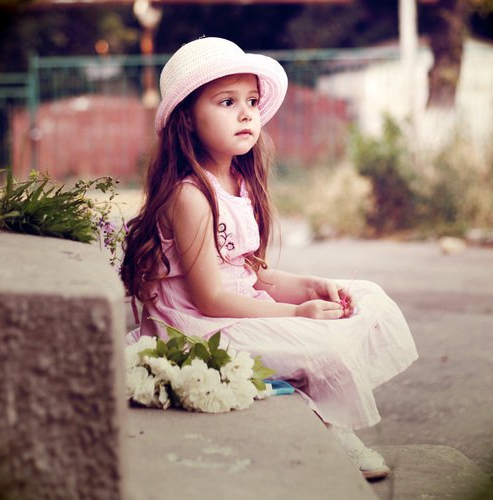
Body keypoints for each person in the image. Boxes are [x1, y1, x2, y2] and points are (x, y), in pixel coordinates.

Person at [121, 37, 418, 481]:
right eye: (227, 102)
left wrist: (312, 286)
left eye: (252, 101)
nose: (246, 114)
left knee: (366, 297)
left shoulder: (239, 182)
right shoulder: (190, 195)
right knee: (323, 343)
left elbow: (252, 275)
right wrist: (297, 313)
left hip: (239, 311)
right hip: (201, 330)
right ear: (187, 119)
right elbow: (210, 299)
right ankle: (328, 428)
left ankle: (315, 406)